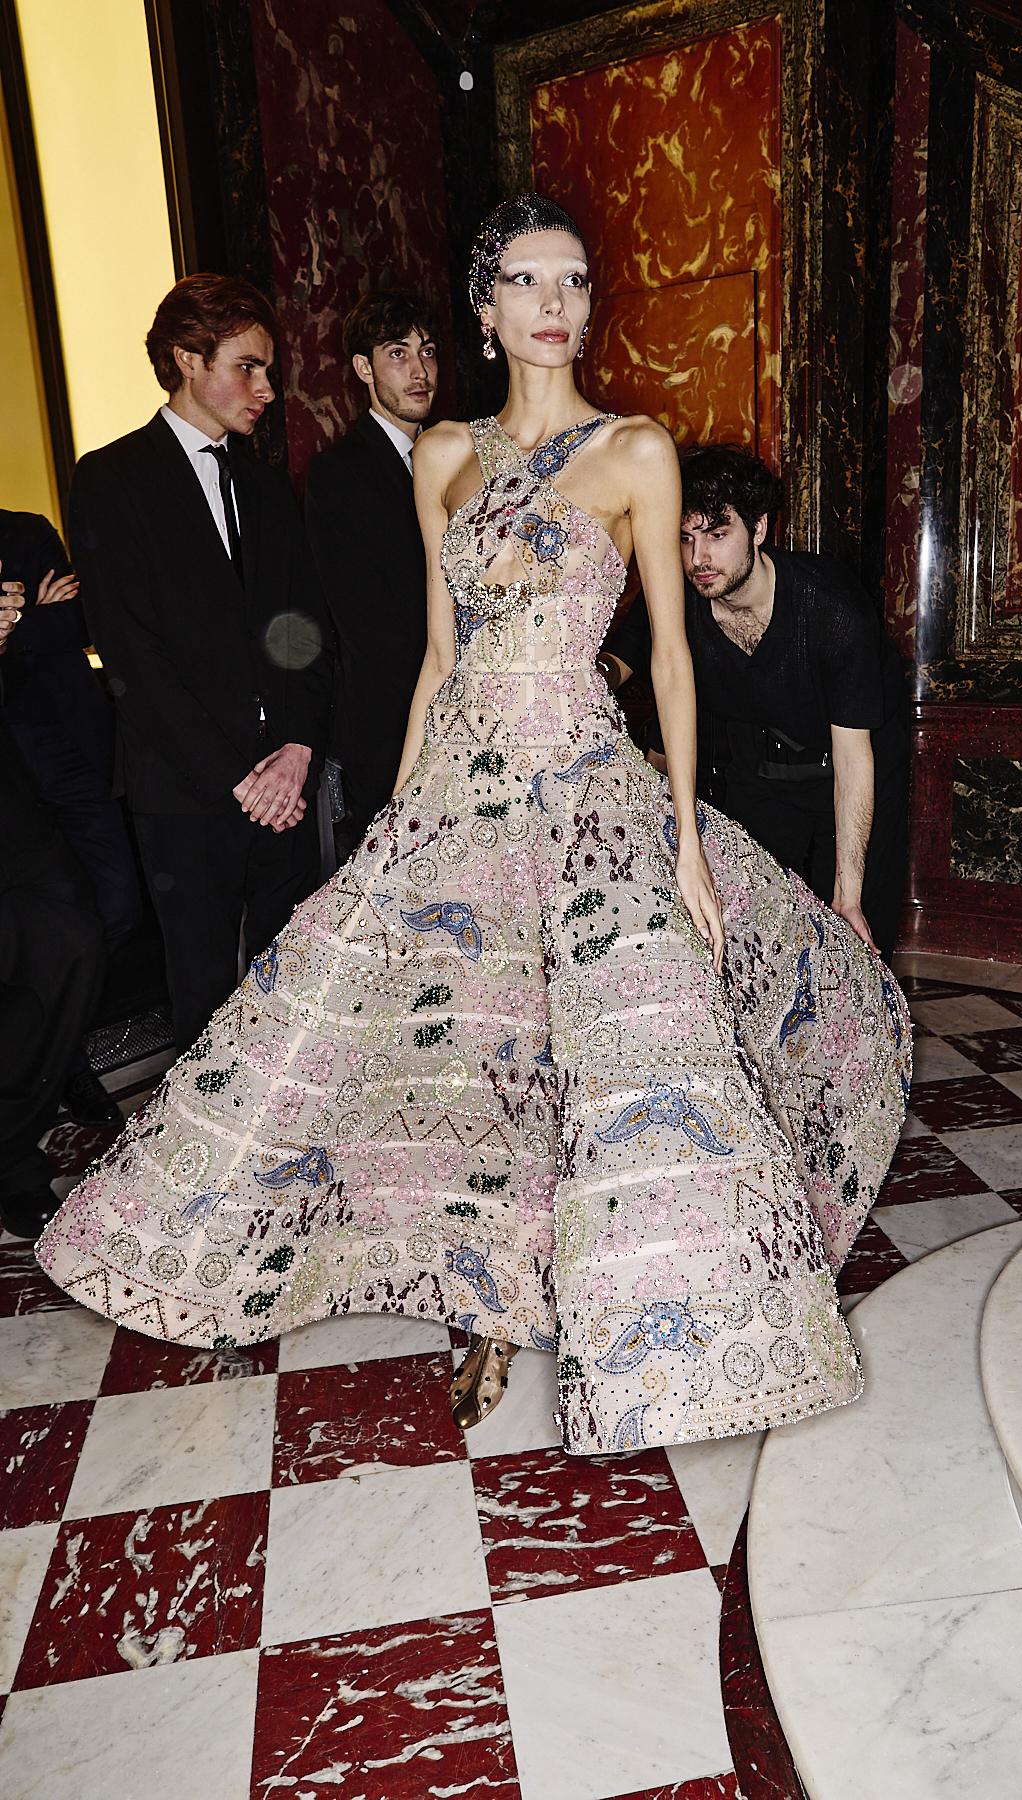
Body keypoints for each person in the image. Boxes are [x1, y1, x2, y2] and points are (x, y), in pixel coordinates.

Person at [38, 196, 910, 1457]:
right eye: (527, 281)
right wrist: (395, 825)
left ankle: (638, 1305)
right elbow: (439, 661)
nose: (556, 304)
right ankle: (485, 1297)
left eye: (575, 280)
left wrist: (681, 839)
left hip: (586, 788)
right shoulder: (444, 454)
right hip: (460, 789)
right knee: (473, 1049)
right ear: (485, 310)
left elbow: (670, 661)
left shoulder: (638, 450)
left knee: (611, 1056)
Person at [65, 274, 334, 1058]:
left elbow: (303, 632)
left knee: (293, 992)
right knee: (207, 1004)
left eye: (268, 369)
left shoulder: (264, 483)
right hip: (187, 791)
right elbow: (134, 658)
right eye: (247, 367)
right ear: (188, 359)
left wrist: (296, 749)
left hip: (284, 783)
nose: (267, 389)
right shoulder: (112, 479)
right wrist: (239, 778)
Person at [602, 445, 910, 961]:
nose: (698, 559)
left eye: (717, 535)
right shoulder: (680, 598)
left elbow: (853, 755)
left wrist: (849, 897)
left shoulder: (831, 606)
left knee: (854, 944)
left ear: (759, 528)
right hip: (760, 767)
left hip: (855, 769)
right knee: (755, 933)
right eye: (685, 538)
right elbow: (621, 658)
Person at [1, 509, 140, 1129]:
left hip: (71, 755)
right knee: (36, 931)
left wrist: (17, 622)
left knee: (119, 905)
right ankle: (64, 1064)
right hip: (12, 782)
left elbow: (80, 619)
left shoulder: (27, 531)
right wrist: (36, 612)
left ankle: (56, 1040)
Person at [305, 291, 439, 862]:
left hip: (472, 716)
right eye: (397, 354)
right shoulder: (339, 474)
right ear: (364, 369)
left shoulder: (462, 461)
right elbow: (365, 627)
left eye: (427, 351)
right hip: (388, 729)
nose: (419, 371)